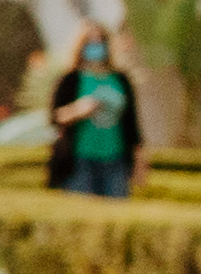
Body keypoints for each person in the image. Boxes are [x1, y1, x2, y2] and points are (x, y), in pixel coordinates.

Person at [47, 24, 142, 199]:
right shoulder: (71, 79)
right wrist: (78, 110)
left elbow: (132, 124)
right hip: (80, 160)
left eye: (100, 40)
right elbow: (54, 117)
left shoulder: (120, 79)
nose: (96, 45)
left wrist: (139, 162)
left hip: (116, 159)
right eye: (90, 41)